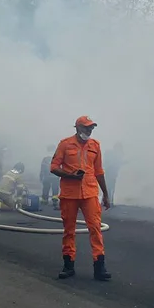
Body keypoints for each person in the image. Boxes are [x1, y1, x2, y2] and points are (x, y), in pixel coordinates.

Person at [50, 116, 111, 281]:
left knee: (95, 229)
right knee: (69, 230)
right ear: (77, 128)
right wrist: (70, 175)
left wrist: (105, 194)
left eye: (91, 128)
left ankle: (100, 266)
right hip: (69, 194)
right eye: (86, 128)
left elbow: (99, 171)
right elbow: (54, 167)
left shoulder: (95, 146)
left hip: (90, 193)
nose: (89, 131)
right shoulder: (65, 144)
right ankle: (68, 265)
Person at [39, 145, 59, 209]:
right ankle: (54, 200)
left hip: (47, 176)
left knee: (46, 187)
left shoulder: (45, 158)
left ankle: (44, 200)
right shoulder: (57, 157)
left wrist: (41, 176)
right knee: (55, 188)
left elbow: (42, 168)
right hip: (55, 176)